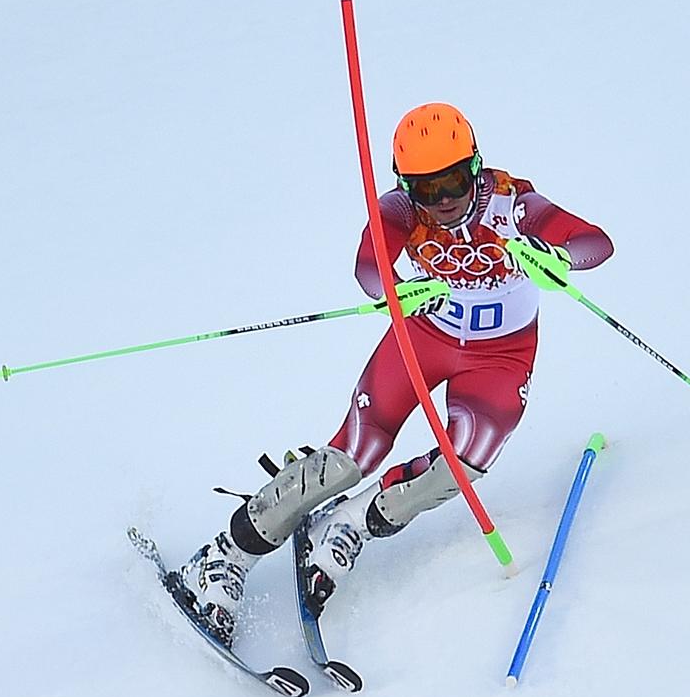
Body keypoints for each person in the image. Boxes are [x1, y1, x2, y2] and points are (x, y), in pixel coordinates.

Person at [172, 102, 614, 646]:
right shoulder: (400, 211)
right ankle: (224, 556)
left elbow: (596, 242)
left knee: (465, 460)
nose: (445, 200)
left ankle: (352, 525)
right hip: (423, 340)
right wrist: (393, 289)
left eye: (454, 180)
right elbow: (368, 267)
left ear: (475, 165)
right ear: (407, 185)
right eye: (428, 189)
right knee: (353, 455)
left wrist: (555, 256)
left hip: (499, 355)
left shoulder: (512, 203)